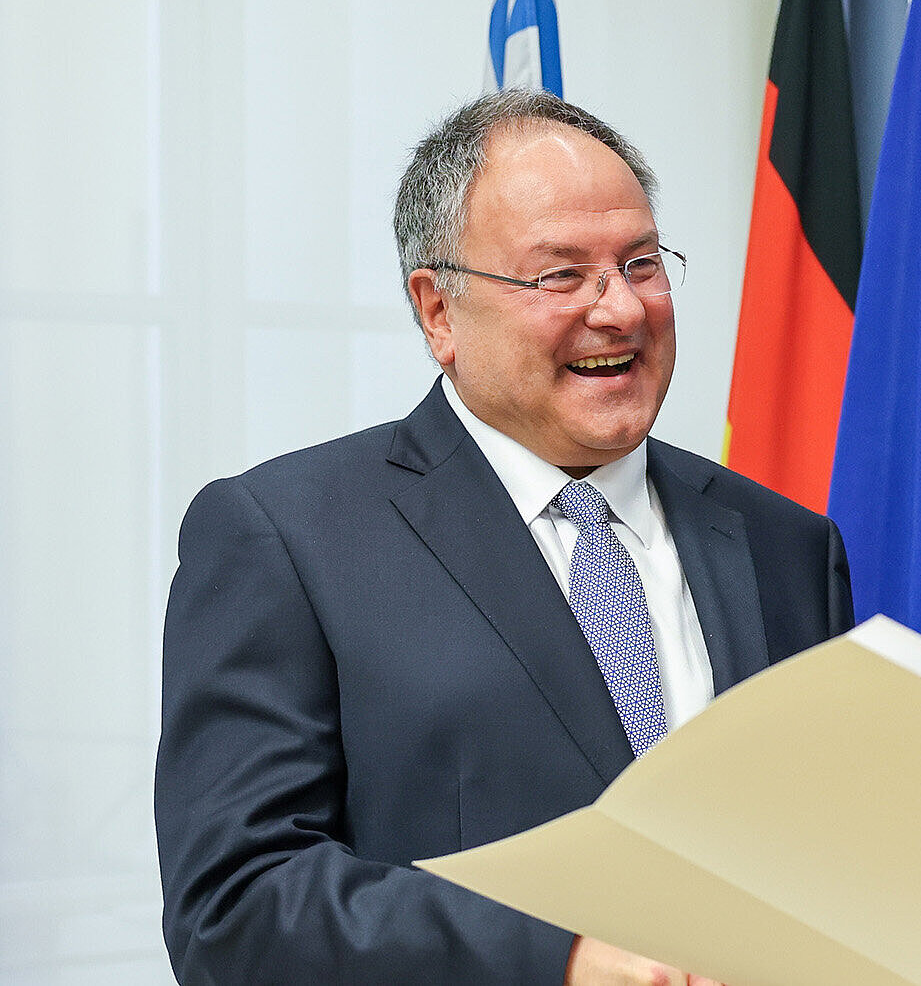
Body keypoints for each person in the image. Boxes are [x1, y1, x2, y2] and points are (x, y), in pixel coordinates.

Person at [156, 91, 854, 985]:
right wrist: (557, 957)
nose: (621, 310)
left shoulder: (786, 544)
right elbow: (237, 908)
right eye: (560, 275)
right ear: (437, 311)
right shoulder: (288, 539)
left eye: (640, 263)